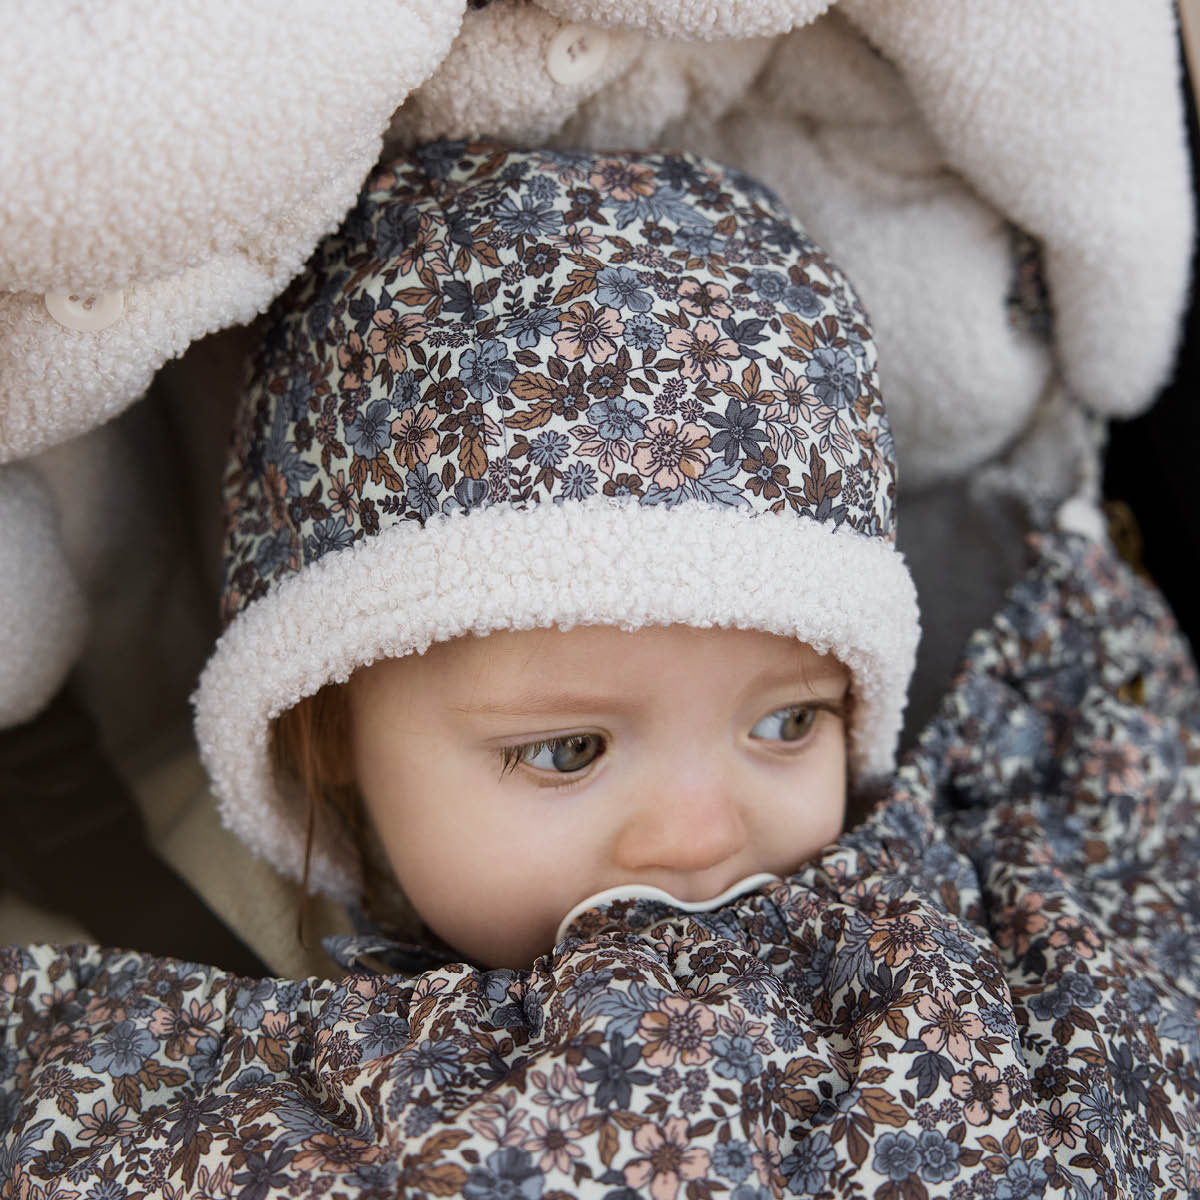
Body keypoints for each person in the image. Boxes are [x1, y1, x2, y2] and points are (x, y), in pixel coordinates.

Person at [192, 140, 920, 971]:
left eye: (789, 723)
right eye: (568, 750)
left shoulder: (900, 949)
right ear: (328, 729)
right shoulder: (240, 1034)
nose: (700, 839)